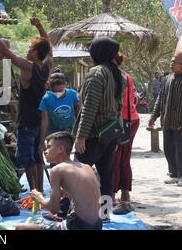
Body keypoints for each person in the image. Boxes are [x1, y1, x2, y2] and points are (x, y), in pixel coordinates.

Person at [0, 15, 53, 193]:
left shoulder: (28, 67)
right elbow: (49, 47)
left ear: (35, 53)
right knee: (37, 157)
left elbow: (5, 51)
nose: (27, 50)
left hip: (27, 121)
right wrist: (39, 26)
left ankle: (34, 191)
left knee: (27, 158)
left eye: (30, 48)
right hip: (40, 118)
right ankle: (40, 191)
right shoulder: (47, 66)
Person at [15, 132, 102, 230]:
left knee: (20, 227)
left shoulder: (57, 170)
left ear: (61, 149)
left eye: (49, 147)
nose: (45, 151)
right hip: (98, 225)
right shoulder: (86, 167)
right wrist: (66, 192)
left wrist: (39, 198)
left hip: (77, 226)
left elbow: (54, 209)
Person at [73, 37, 123, 199]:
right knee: (107, 175)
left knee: (77, 173)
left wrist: (81, 136)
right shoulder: (116, 73)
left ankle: (71, 210)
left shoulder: (96, 73)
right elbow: (119, 106)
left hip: (94, 134)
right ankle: (105, 213)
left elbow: (89, 108)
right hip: (110, 132)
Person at [112, 53, 140, 214]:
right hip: (130, 119)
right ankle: (124, 195)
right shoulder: (125, 75)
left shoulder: (116, 75)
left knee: (115, 159)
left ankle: (114, 195)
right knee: (123, 159)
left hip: (121, 121)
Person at [148, 54, 182, 185]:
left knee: (180, 149)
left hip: (179, 122)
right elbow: (160, 100)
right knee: (168, 148)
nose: (171, 65)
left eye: (174, 63)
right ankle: (173, 174)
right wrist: (153, 117)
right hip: (167, 121)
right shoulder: (167, 79)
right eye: (171, 62)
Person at [39, 72, 81, 153]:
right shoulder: (46, 99)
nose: (58, 93)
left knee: (65, 156)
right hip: (53, 134)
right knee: (54, 157)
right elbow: (44, 122)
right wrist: (42, 142)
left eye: (60, 90)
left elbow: (79, 114)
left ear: (65, 84)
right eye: (54, 91)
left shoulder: (72, 94)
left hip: (69, 132)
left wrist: (80, 134)